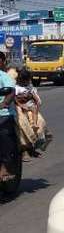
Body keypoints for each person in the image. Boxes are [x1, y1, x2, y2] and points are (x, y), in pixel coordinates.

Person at [15, 67, 51, 154]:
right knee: (23, 123)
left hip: (31, 107)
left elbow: (37, 99)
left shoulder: (30, 87)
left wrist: (36, 103)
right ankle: (25, 146)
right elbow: (15, 99)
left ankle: (40, 138)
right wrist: (23, 106)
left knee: (40, 121)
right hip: (21, 107)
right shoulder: (16, 88)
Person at [0, 50, 20, 181]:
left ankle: (5, 167)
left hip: (3, 114)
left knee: (3, 137)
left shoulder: (3, 76)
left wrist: (4, 103)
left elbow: (11, 92)